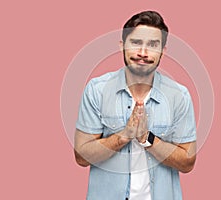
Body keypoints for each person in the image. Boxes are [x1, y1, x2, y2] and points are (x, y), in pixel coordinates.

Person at [74, 10, 197, 200]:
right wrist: (124, 136)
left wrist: (146, 138)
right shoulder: (97, 90)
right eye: (136, 42)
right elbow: (81, 156)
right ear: (122, 45)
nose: (143, 53)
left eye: (153, 45)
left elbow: (187, 162)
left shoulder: (178, 96)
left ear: (163, 51)